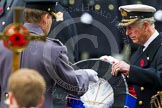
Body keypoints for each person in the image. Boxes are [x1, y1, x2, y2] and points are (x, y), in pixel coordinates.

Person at [19, 0, 98, 108]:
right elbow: (73, 85)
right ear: (45, 18)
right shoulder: (52, 49)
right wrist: (86, 75)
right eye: (51, 17)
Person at [111, 4, 162, 108]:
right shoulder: (137, 53)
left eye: (130, 27)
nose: (127, 33)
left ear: (146, 25)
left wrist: (130, 70)